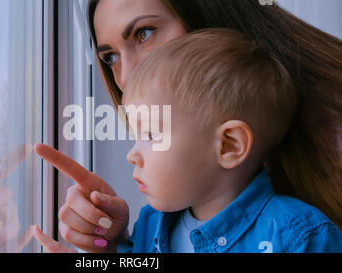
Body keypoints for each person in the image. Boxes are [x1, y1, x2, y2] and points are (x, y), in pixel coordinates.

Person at [34, 0, 342, 252]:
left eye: (144, 33)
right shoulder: (155, 223)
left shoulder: (300, 235)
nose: (124, 79)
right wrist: (108, 245)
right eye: (110, 57)